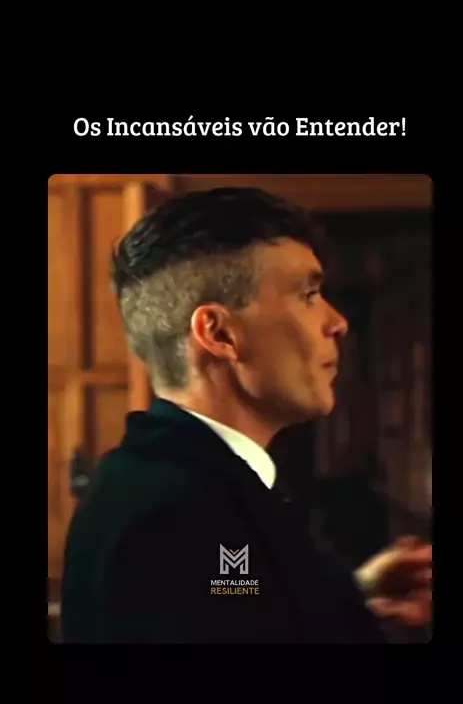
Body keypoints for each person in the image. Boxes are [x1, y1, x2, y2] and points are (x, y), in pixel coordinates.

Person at [60, 187, 432, 643]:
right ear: (219, 334)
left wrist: (351, 596)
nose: (337, 322)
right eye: (308, 294)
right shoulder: (172, 511)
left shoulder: (189, 477)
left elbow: (241, 613)